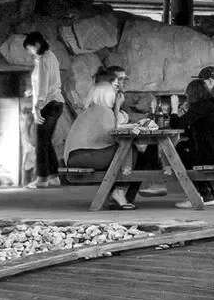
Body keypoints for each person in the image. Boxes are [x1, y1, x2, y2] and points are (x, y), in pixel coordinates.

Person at [60, 63, 144, 211]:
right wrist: (117, 107)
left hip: (79, 155)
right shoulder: (102, 111)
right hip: (83, 156)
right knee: (129, 151)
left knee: (127, 152)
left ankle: (119, 194)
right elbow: (115, 134)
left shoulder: (94, 110)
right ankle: (118, 192)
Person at [25, 33, 65, 188]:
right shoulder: (50, 57)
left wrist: (38, 105)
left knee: (40, 141)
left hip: (48, 104)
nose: (29, 52)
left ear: (35, 44)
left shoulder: (43, 60)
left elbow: (44, 84)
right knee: (46, 141)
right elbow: (46, 82)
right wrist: (32, 92)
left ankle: (42, 178)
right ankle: (54, 176)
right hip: (55, 102)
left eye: (29, 48)